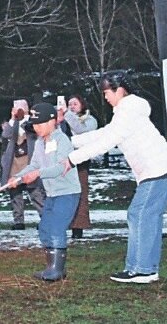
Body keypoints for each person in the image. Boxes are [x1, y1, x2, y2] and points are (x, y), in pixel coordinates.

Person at [64, 73, 167, 284]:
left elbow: (107, 141)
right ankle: (145, 269)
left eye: (107, 92)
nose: (105, 97)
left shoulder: (128, 111)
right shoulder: (126, 112)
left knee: (140, 214)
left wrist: (72, 159)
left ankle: (142, 270)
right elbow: (104, 133)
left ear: (119, 90)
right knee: (144, 216)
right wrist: (72, 142)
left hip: (158, 170)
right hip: (159, 171)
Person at [7, 102, 80, 281]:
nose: (37, 128)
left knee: (56, 228)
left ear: (52, 121)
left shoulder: (62, 140)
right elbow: (34, 165)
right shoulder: (40, 143)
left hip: (67, 193)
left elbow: (60, 168)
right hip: (52, 194)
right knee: (45, 228)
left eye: (40, 124)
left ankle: (56, 270)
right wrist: (18, 177)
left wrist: (37, 175)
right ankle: (52, 266)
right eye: (35, 125)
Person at [0, 99, 45, 229]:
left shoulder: (32, 122)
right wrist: (13, 120)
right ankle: (18, 221)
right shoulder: (11, 125)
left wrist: (25, 118)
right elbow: (5, 135)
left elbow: (33, 132)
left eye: (21, 108)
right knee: (15, 194)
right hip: (14, 164)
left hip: (29, 163)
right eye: (16, 108)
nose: (18, 110)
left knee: (36, 193)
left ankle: (45, 217)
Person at [60, 94, 98, 238]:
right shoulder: (64, 119)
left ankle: (78, 226)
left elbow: (80, 129)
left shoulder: (90, 120)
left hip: (80, 161)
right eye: (69, 104)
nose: (72, 106)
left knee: (80, 192)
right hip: (63, 160)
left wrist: (67, 114)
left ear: (82, 105)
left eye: (75, 103)